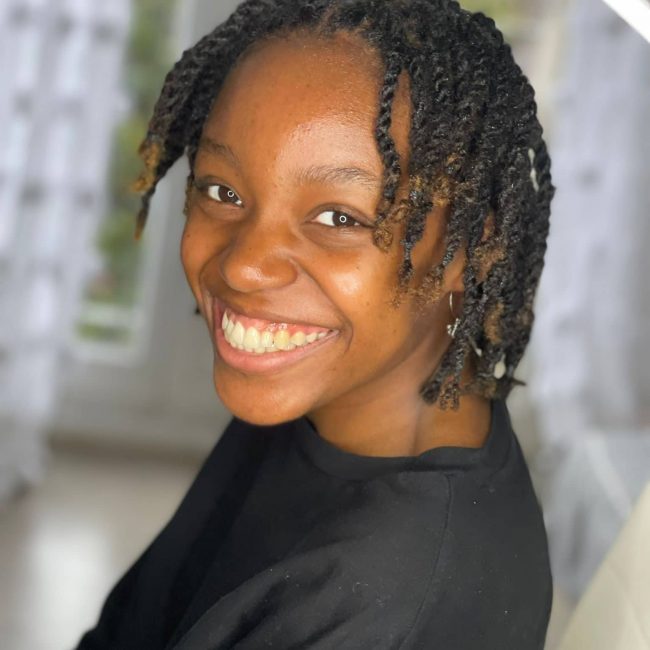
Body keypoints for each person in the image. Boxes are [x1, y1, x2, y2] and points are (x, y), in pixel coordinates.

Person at [76, 0, 554, 648]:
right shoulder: (330, 395)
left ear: (471, 249)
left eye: (339, 218)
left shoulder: (386, 603)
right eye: (222, 191)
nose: (243, 266)